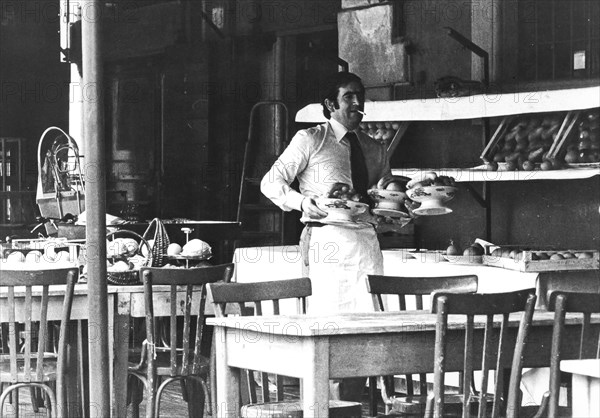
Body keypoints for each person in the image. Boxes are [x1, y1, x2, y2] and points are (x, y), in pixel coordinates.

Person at [261, 71, 408, 402]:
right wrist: (302, 201)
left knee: (367, 332)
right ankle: (322, 408)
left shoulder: (374, 147)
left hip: (367, 246)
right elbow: (270, 183)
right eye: (349, 97)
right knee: (327, 330)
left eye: (361, 96)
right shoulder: (311, 139)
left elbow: (383, 196)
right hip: (327, 241)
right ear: (329, 104)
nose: (358, 103)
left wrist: (396, 211)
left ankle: (354, 407)